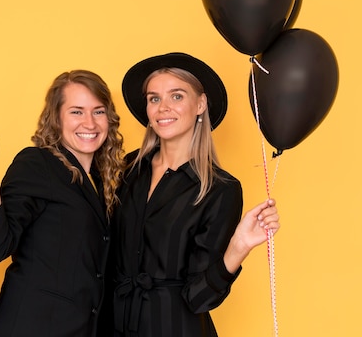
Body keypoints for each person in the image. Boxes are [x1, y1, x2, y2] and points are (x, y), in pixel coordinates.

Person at [108, 52, 280, 336]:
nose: (163, 108)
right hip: (114, 326)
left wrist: (238, 247)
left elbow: (199, 298)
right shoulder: (127, 168)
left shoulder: (220, 190)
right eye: (154, 98)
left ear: (200, 104)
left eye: (177, 96)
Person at [0, 70, 125, 337]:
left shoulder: (103, 182)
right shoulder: (38, 164)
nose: (89, 123)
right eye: (76, 112)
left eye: (98, 111)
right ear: (56, 118)